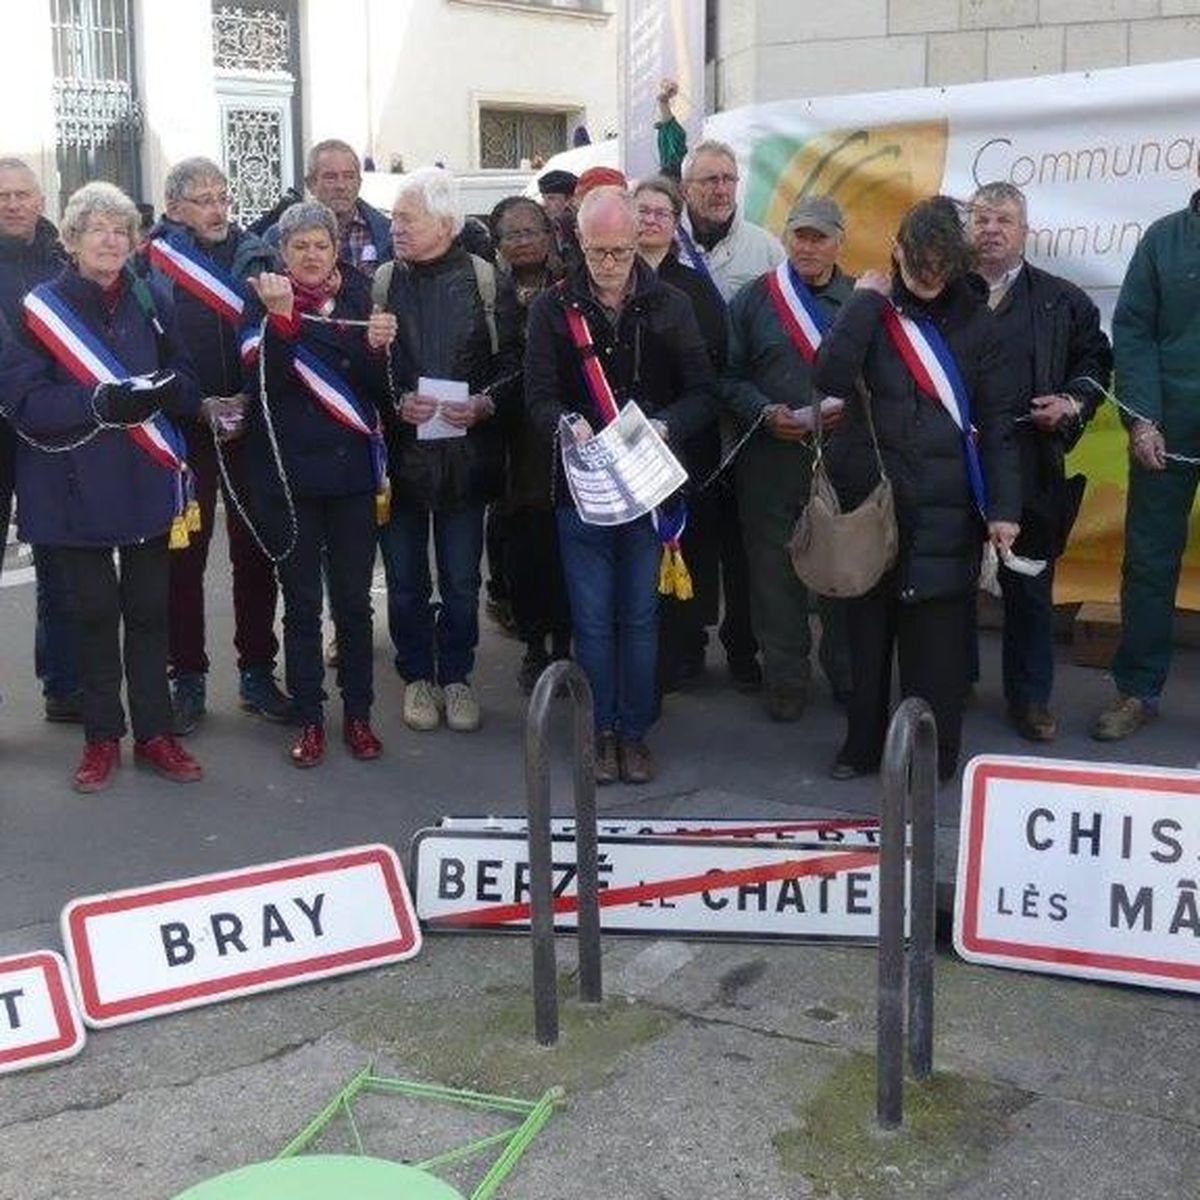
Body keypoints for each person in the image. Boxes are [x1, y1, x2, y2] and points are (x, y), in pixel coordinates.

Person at [0, 181, 203, 793]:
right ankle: (100, 739)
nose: (111, 241)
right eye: (97, 230)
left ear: (134, 241)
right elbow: (25, 400)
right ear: (71, 240)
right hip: (70, 481)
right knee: (92, 614)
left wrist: (168, 390)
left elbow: (186, 378)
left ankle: (155, 734)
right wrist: (97, 400)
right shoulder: (40, 308)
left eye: (121, 230)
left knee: (147, 612)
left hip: (143, 475)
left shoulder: (153, 298)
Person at [813, 195, 1021, 783]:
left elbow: (1001, 425)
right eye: (916, 268)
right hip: (873, 503)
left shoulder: (980, 325)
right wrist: (862, 303)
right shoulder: (870, 311)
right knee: (866, 640)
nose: (928, 281)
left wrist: (1004, 509)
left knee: (937, 655)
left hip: (946, 510)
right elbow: (827, 376)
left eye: (940, 270)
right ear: (896, 251)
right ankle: (860, 746)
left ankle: (933, 758)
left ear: (955, 264)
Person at [525, 186, 718, 785]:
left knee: (639, 617)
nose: (608, 265)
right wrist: (563, 421)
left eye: (620, 252)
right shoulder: (553, 308)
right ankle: (598, 730)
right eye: (598, 251)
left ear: (640, 242)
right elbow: (537, 396)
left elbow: (704, 393)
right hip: (581, 491)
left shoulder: (672, 305)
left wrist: (666, 422)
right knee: (591, 618)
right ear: (579, 243)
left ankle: (634, 732)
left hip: (647, 487)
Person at [240, 200, 396, 767]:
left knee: (353, 604)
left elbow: (382, 393)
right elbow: (261, 385)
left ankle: (358, 716)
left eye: (321, 245)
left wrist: (381, 350)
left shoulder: (359, 299)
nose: (310, 254)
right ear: (283, 253)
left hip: (351, 476)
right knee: (303, 606)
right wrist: (280, 324)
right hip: (290, 476)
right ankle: (310, 717)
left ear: (336, 250)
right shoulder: (257, 302)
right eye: (299, 245)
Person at [142, 156, 289, 734]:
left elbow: (276, 336)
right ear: (175, 207)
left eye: (223, 195)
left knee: (256, 552)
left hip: (249, 423)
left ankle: (257, 670)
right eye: (203, 197)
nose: (218, 207)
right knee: (185, 558)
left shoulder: (260, 255)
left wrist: (253, 398)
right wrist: (192, 402)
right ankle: (189, 680)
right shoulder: (151, 265)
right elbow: (146, 354)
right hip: (188, 427)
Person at [376, 167, 521, 734]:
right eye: (393, 218)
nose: (396, 227)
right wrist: (397, 402)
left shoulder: (487, 282)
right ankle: (417, 676)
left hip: (467, 461)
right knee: (406, 579)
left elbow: (515, 364)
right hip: (403, 460)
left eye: (406, 218)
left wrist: (485, 404)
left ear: (445, 223)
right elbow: (368, 368)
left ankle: (457, 676)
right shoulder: (383, 281)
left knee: (461, 581)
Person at [967, 181, 1112, 743]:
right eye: (981, 219)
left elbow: (1096, 359)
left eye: (1003, 219)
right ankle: (951, 682)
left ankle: (1030, 700)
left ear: (1024, 231)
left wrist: (1073, 401)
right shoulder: (945, 294)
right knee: (949, 582)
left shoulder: (1062, 299)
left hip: (1032, 461)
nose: (991, 229)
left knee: (1028, 589)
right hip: (957, 463)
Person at [724, 194, 855, 721]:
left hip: (841, 461)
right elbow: (726, 378)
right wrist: (762, 409)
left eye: (819, 236)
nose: (808, 245)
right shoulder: (755, 301)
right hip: (770, 457)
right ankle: (785, 679)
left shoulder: (860, 303)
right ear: (786, 237)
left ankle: (847, 674)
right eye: (800, 234)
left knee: (843, 572)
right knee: (774, 577)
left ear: (839, 242)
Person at [1091, 174, 1200, 741]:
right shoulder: (1164, 240)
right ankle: (1137, 691)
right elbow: (1131, 333)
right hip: (1168, 430)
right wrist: (1142, 420)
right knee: (1150, 565)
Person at [677, 137, 786, 693]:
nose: (720, 190)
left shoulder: (765, 250)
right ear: (686, 189)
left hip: (745, 428)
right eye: (708, 181)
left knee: (745, 548)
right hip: (688, 426)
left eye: (727, 180)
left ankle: (744, 647)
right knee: (691, 537)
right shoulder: (665, 246)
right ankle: (691, 643)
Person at [633, 175, 725, 692]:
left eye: (660, 213)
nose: (649, 220)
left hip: (678, 438)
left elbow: (709, 368)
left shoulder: (694, 289)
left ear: (675, 224)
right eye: (640, 210)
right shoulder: (600, 277)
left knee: (682, 544)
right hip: (620, 440)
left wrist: (671, 420)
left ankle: (681, 647)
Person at [0, 156, 81, 722]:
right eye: (1, 195)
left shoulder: (62, 259)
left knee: (58, 559)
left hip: (48, 427)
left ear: (41, 200)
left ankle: (64, 684)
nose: (11, 203)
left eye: (21, 194)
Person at [490, 195, 570, 693]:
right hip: (509, 440)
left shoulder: (572, 283)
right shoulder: (488, 291)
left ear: (549, 234)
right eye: (511, 235)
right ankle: (533, 644)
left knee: (561, 544)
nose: (522, 242)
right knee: (523, 548)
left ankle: (565, 644)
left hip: (559, 436)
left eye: (530, 231)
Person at [272, 140, 391, 279]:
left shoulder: (387, 233)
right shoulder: (278, 235)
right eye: (330, 177)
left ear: (359, 182)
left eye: (349, 177)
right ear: (310, 184)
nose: (341, 185)